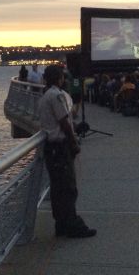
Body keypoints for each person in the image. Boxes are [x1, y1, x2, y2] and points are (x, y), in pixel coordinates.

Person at [38, 64, 96, 238]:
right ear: (60, 78)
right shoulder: (56, 96)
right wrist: (74, 143)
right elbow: (64, 122)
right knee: (68, 187)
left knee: (58, 189)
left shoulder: (44, 96)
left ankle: (61, 224)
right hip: (60, 148)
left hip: (51, 148)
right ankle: (72, 225)